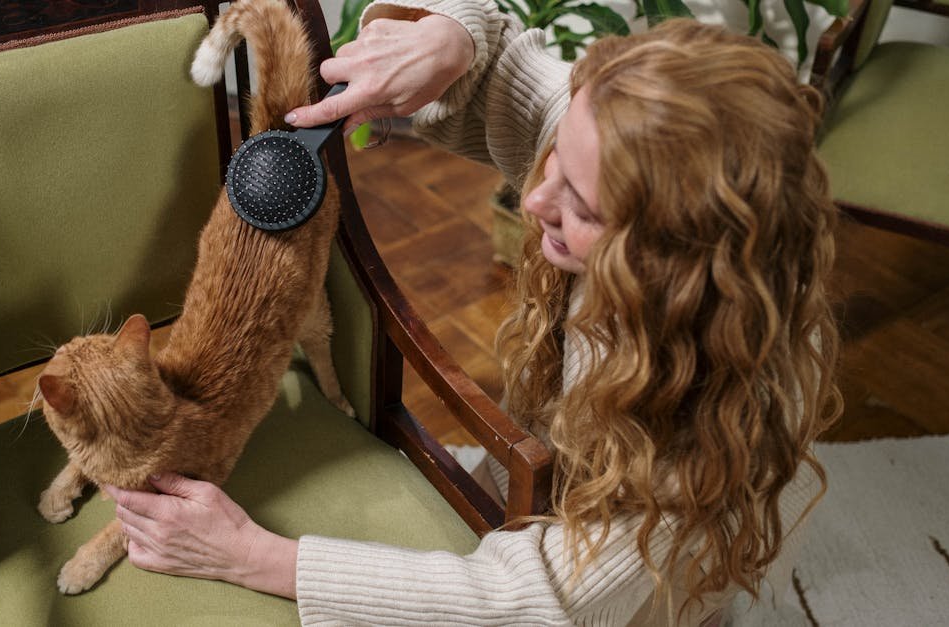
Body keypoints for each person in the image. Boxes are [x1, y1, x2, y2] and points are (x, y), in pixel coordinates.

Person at [101, 0, 842, 623]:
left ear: (670, 258)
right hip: (554, 479)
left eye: (579, 205)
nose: (534, 198)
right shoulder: (618, 147)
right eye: (556, 160)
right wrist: (454, 37)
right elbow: (519, 81)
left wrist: (254, 555)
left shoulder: (696, 448)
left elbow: (525, 600)